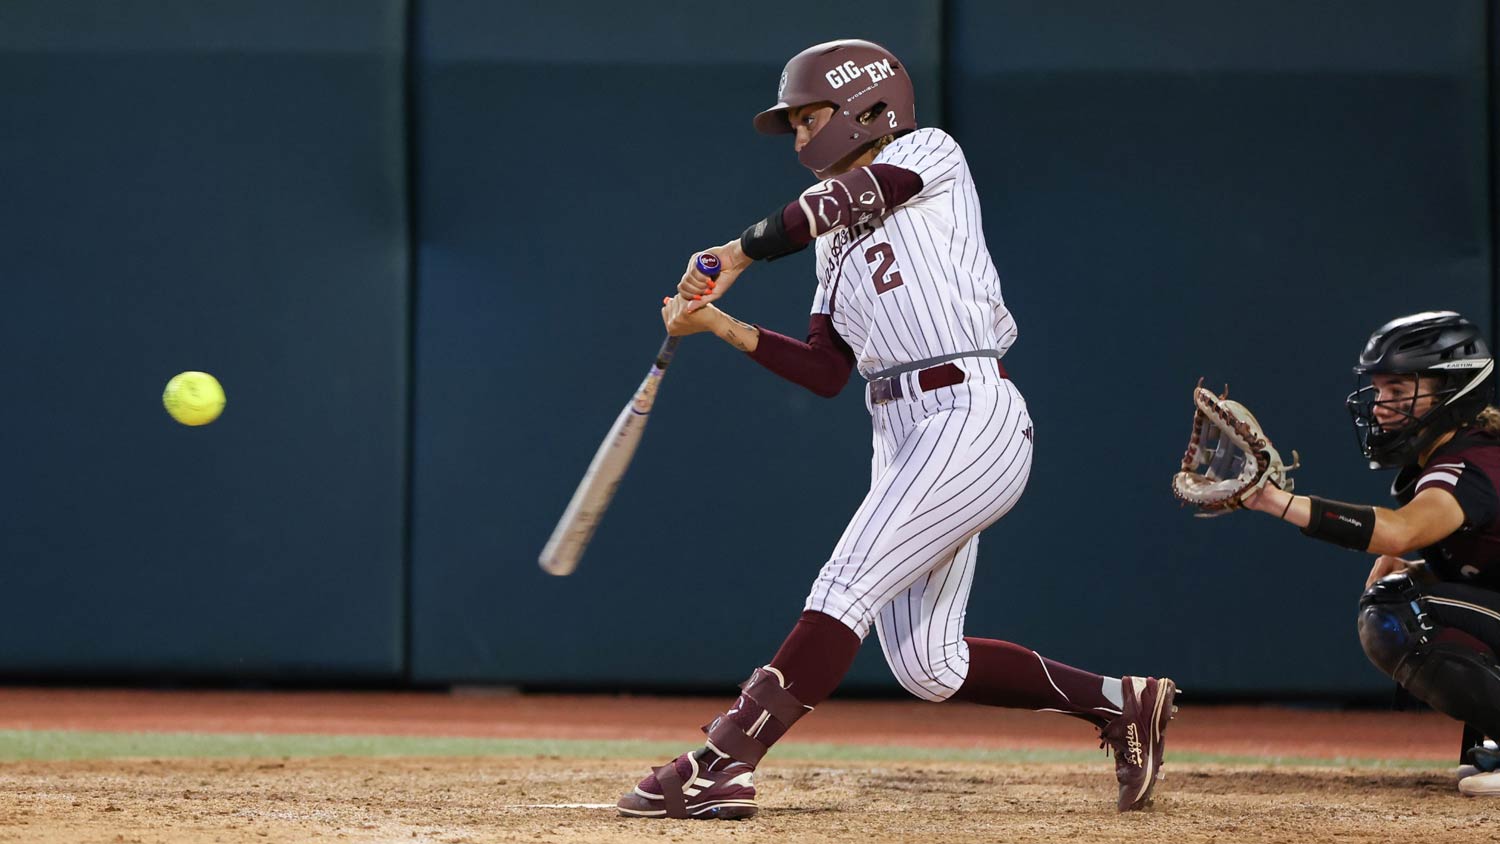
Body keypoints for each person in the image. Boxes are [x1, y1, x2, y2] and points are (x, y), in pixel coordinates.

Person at [615, 38, 1176, 821]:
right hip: (902, 430)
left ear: (865, 109)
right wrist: (720, 325)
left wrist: (737, 251)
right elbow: (826, 370)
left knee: (845, 584)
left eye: (808, 117)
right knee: (928, 666)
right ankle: (1123, 703)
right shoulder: (830, 250)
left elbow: (831, 205)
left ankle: (727, 758)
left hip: (968, 412)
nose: (800, 137)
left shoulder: (928, 154)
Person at [1239, 310, 1500, 796]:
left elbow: (1400, 531)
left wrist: (1277, 501)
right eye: (1379, 391)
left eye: (1399, 392)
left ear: (1453, 391)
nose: (1380, 406)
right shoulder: (1466, 452)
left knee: (1396, 612)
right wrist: (1423, 568)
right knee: (1408, 587)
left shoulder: (1472, 462)